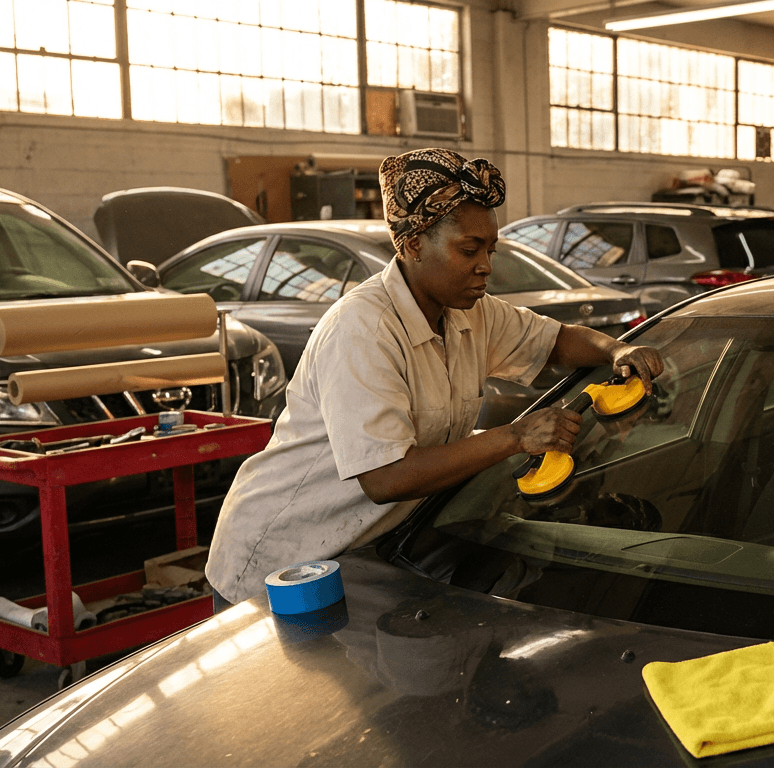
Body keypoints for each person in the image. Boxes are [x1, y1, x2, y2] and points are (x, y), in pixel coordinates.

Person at [207, 148, 663, 606]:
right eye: (469, 250)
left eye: (490, 250)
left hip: (365, 551)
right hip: (280, 561)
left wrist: (617, 349)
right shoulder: (363, 330)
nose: (486, 265)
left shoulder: (469, 312)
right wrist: (515, 436)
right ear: (413, 245)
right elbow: (385, 478)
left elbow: (556, 341)